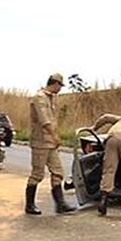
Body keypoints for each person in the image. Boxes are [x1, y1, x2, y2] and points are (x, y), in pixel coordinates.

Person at [25, 73, 76, 215]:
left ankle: (60, 204)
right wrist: (55, 137)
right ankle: (29, 205)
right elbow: (44, 120)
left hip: (50, 143)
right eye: (60, 86)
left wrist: (54, 138)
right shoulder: (39, 97)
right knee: (37, 174)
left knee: (58, 172)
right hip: (41, 142)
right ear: (55, 84)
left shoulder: (50, 98)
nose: (60, 89)